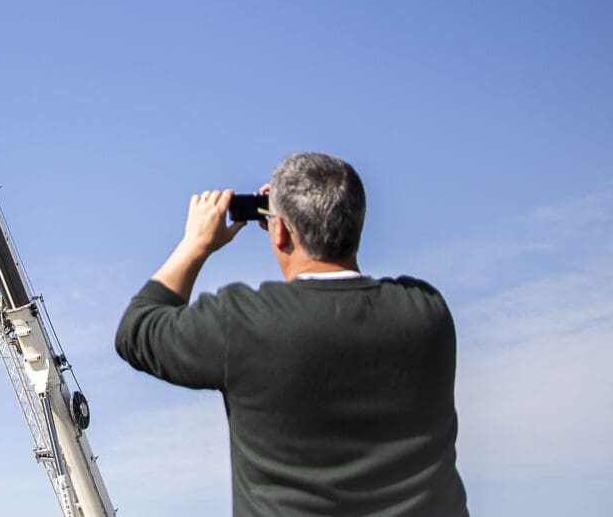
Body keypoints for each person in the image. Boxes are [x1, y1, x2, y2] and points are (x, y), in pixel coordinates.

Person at [114, 152, 469, 516]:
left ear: (279, 230)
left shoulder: (243, 323)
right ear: (357, 222)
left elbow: (137, 329)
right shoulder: (427, 313)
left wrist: (196, 244)